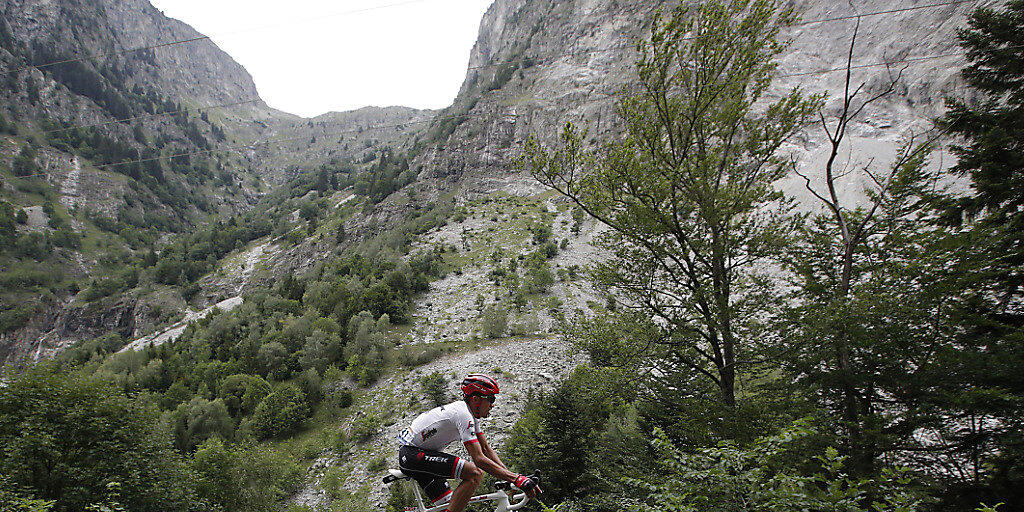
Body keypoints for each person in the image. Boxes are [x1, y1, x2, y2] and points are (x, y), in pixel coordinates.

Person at [396, 373, 542, 512]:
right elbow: (479, 459)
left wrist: (513, 477)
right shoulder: (463, 414)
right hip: (411, 454)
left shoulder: (470, 415)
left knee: (450, 505)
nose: (492, 405)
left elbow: (486, 449)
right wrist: (516, 479)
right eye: (491, 399)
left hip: (419, 455)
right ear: (476, 399)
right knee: (474, 474)